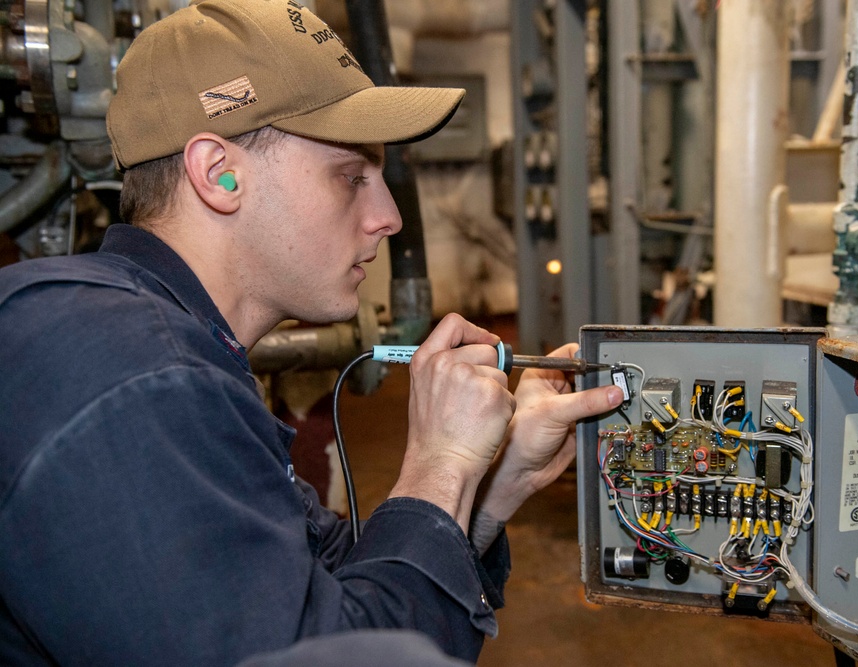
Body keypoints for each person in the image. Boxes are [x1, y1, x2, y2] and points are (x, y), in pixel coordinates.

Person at [0, 1, 624, 665]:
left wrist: (495, 478)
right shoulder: (133, 381)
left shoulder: (161, 346)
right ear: (220, 175)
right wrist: (437, 465)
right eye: (350, 176)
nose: (388, 217)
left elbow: (328, 595)